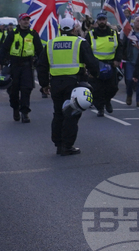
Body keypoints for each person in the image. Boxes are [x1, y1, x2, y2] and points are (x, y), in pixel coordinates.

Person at [37, 16, 100, 155]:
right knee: (72, 113)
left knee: (58, 113)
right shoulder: (80, 42)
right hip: (74, 84)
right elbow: (91, 62)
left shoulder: (50, 43)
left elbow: (41, 66)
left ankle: (58, 144)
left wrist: (44, 84)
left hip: (55, 83)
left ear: (59, 29)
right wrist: (95, 74)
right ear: (74, 28)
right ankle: (67, 145)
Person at [0, 13, 45, 122]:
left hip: (27, 66)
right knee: (13, 91)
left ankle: (25, 113)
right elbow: (4, 49)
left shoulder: (33, 34)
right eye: (24, 20)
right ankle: (15, 108)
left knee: (26, 89)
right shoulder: (12, 34)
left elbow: (40, 51)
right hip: (14, 66)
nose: (26, 21)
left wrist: (42, 63)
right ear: (19, 22)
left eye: (27, 20)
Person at [88, 12, 123, 116]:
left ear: (106, 20)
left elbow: (119, 47)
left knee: (113, 87)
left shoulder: (113, 33)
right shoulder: (91, 34)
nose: (102, 21)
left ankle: (107, 101)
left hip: (111, 64)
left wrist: (118, 59)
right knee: (96, 89)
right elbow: (86, 50)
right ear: (97, 21)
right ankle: (100, 108)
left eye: (103, 19)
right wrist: (89, 64)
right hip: (96, 66)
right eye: (100, 20)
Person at [123, 14, 139, 107]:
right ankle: (129, 94)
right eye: (137, 21)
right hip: (130, 61)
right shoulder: (129, 34)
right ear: (134, 23)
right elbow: (124, 45)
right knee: (129, 80)